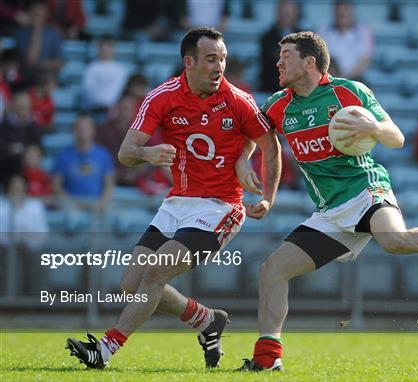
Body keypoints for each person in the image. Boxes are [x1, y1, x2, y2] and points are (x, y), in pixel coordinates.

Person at [237, 31, 418, 372]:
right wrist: (244, 160)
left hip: (366, 189)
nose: (279, 62)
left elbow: (397, 137)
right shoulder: (278, 105)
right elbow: (258, 141)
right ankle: (268, 361)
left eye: (286, 55)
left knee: (394, 240)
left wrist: (374, 126)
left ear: (309, 62)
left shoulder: (349, 92)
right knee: (273, 271)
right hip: (330, 212)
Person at [65, 27, 281, 370]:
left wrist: (266, 196)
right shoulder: (162, 97)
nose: (219, 67)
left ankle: (103, 350)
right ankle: (207, 320)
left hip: (221, 206)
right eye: (211, 59)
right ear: (189, 62)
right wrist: (148, 154)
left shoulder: (238, 99)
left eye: (222, 59)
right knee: (130, 284)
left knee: (153, 273)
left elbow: (269, 143)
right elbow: (126, 152)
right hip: (177, 203)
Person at [53, 114, 115, 214]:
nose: (82, 131)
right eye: (79, 128)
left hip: (97, 204)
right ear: (74, 131)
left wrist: (101, 204)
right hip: (71, 206)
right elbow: (56, 185)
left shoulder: (103, 155)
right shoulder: (64, 156)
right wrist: (70, 204)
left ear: (93, 131)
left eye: (86, 128)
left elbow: (109, 185)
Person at [318, 0, 374, 81]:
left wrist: (346, 78)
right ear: (334, 13)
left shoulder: (364, 31)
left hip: (356, 79)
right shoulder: (323, 31)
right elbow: (321, 59)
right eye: (340, 13)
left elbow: (365, 60)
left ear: (352, 12)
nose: (343, 15)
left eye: (346, 11)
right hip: (330, 78)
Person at [259, 0, 301, 92]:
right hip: (273, 89)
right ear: (277, 11)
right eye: (283, 10)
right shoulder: (267, 37)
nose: (286, 13)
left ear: (296, 11)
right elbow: (270, 63)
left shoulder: (303, 35)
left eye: (289, 10)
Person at [81, 35, 129, 112]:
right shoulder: (91, 68)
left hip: (114, 111)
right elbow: (87, 89)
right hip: (93, 109)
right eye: (103, 46)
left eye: (109, 46)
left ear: (114, 48)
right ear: (98, 48)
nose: (105, 49)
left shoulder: (121, 69)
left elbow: (123, 90)